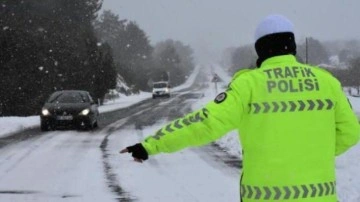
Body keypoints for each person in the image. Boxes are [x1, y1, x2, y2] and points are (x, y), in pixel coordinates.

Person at [120, 14, 360, 202]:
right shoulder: (327, 82)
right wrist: (309, 154)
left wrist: (150, 145)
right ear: (292, 45)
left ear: (260, 49)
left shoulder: (249, 85)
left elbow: (205, 123)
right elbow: (350, 133)